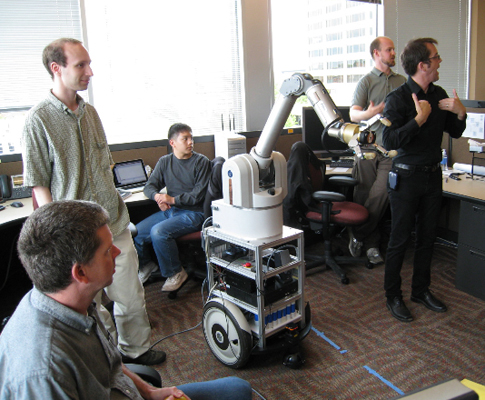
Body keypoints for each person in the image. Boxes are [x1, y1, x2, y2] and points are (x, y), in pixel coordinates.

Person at [0, 200, 253, 400]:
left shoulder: (76, 305)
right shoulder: (43, 373)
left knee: (237, 390)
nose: (117, 252)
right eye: (107, 250)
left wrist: (149, 392)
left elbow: (111, 367)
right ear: (80, 272)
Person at [21, 38, 164, 365]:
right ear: (57, 69)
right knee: (91, 308)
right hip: (79, 238)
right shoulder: (37, 120)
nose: (90, 72)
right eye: (80, 65)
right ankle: (107, 362)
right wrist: (59, 241)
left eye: (89, 64)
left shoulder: (92, 114)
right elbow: (40, 187)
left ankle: (136, 351)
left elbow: (104, 168)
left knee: (131, 297)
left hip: (113, 221)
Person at [382, 38, 466, 322]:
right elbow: (389, 140)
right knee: (399, 240)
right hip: (405, 178)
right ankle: (393, 295)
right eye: (437, 57)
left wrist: (460, 112)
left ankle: (421, 290)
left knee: (428, 239)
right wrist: (417, 120)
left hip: (432, 177)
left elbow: (455, 131)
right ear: (423, 65)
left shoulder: (439, 93)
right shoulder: (397, 99)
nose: (440, 61)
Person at [349, 36, 406, 264]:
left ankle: (357, 235)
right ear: (376, 53)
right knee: (362, 197)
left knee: (380, 196)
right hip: (367, 148)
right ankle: (372, 244)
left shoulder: (402, 81)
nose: (393, 53)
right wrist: (371, 113)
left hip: (390, 151)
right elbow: (354, 114)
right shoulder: (366, 82)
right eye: (389, 49)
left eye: (393, 49)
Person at [135, 123, 211, 290]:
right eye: (185, 139)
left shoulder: (201, 162)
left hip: (195, 214)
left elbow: (198, 195)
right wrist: (158, 198)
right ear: (172, 143)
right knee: (136, 232)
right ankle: (147, 265)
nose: (191, 142)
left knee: (159, 232)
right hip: (172, 211)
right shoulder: (165, 162)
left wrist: (171, 199)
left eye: (192, 138)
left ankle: (175, 272)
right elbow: (149, 186)